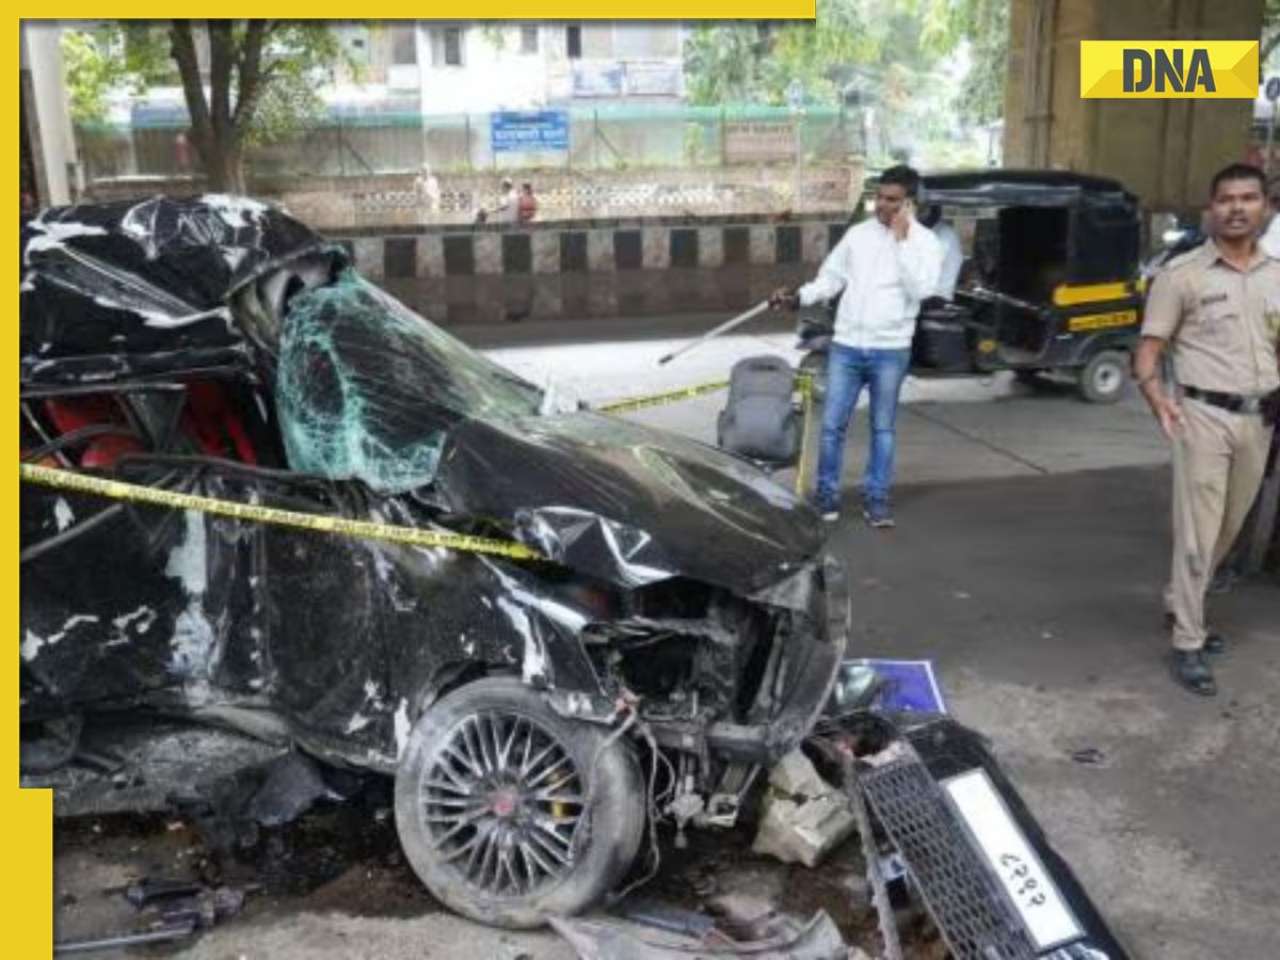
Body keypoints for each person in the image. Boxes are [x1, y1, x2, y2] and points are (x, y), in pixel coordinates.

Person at [1133, 162, 1280, 696]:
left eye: (1248, 198)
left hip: (1260, 419)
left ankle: (1180, 602)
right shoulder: (1183, 276)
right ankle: (1188, 641)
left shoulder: (1277, 275)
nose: (1237, 208)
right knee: (1197, 534)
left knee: (1227, 530)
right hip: (1203, 417)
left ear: (1265, 207)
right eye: (1226, 199)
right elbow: (1148, 351)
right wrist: (1158, 399)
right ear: (1211, 209)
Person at [770, 164, 943, 528]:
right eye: (879, 197)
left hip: (890, 351)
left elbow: (921, 289)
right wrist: (798, 297)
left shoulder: (927, 243)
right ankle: (827, 499)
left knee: (883, 430)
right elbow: (830, 279)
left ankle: (877, 502)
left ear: (910, 203)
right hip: (847, 346)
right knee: (831, 427)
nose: (882, 205)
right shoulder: (857, 235)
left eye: (892, 200)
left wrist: (902, 241)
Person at [922, 204, 963, 299]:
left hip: (937, 296)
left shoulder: (944, 234)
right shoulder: (931, 232)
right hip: (930, 294)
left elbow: (928, 266)